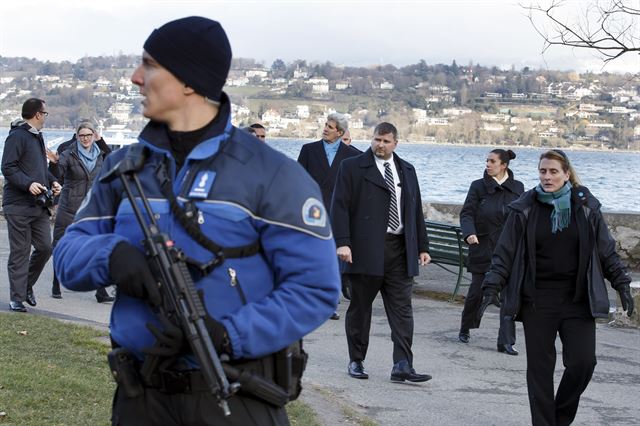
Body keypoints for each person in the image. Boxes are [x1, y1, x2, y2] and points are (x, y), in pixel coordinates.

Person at [53, 16, 339, 425]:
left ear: (189, 81)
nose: (136, 77)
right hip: (141, 398)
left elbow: (315, 288)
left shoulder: (273, 175)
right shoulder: (125, 167)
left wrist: (227, 334)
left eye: (149, 65)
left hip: (235, 396)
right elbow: (67, 254)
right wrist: (112, 256)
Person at [479, 149, 634, 426]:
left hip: (577, 300)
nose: (547, 177)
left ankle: (558, 419)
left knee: (583, 364)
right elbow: (505, 252)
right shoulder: (525, 208)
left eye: (553, 172)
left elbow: (606, 251)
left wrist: (621, 283)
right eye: (542, 171)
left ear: (566, 174)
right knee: (540, 370)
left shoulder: (586, 209)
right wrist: (492, 284)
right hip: (537, 300)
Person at [331, 122, 432, 382]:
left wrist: (422, 246)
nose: (380, 145)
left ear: (395, 143)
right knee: (360, 309)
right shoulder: (352, 167)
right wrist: (343, 242)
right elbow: (339, 206)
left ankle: (402, 364)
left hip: (400, 250)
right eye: (377, 140)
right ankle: (356, 360)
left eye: (386, 141)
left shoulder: (407, 170)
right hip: (364, 250)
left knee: (402, 311)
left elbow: (414, 210)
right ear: (372, 139)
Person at [458, 149, 524, 355]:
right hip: (482, 246)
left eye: (492, 161)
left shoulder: (518, 188)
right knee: (476, 292)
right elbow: (467, 213)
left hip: (507, 250)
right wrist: (469, 233)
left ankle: (505, 341)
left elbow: (523, 215)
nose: (488, 164)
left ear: (503, 165)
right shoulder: (478, 186)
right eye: (487, 160)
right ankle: (466, 327)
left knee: (509, 295)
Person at [297, 112, 360, 319]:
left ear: (340, 133)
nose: (325, 128)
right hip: (312, 214)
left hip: (339, 216)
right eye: (325, 125)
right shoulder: (308, 150)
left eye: (330, 127)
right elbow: (297, 180)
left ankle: (329, 303)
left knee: (334, 262)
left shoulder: (353, 156)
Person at [1, 98, 61, 313]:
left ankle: (25, 286)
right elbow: (7, 167)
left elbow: (39, 169)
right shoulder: (17, 136)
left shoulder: (37, 137)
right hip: (17, 205)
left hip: (38, 206)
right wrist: (28, 184)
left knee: (45, 248)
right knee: (20, 252)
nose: (45, 117)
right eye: (45, 113)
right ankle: (16, 298)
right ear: (37, 114)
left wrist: (52, 180)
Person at [50, 122, 114, 303]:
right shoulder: (69, 153)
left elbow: (113, 159)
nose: (85, 138)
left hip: (92, 209)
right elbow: (57, 171)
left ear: (94, 135)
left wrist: (101, 142)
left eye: (89, 135)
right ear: (77, 137)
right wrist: (54, 163)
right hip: (69, 207)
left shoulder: (100, 154)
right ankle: (56, 282)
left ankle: (100, 292)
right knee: (60, 245)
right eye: (82, 135)